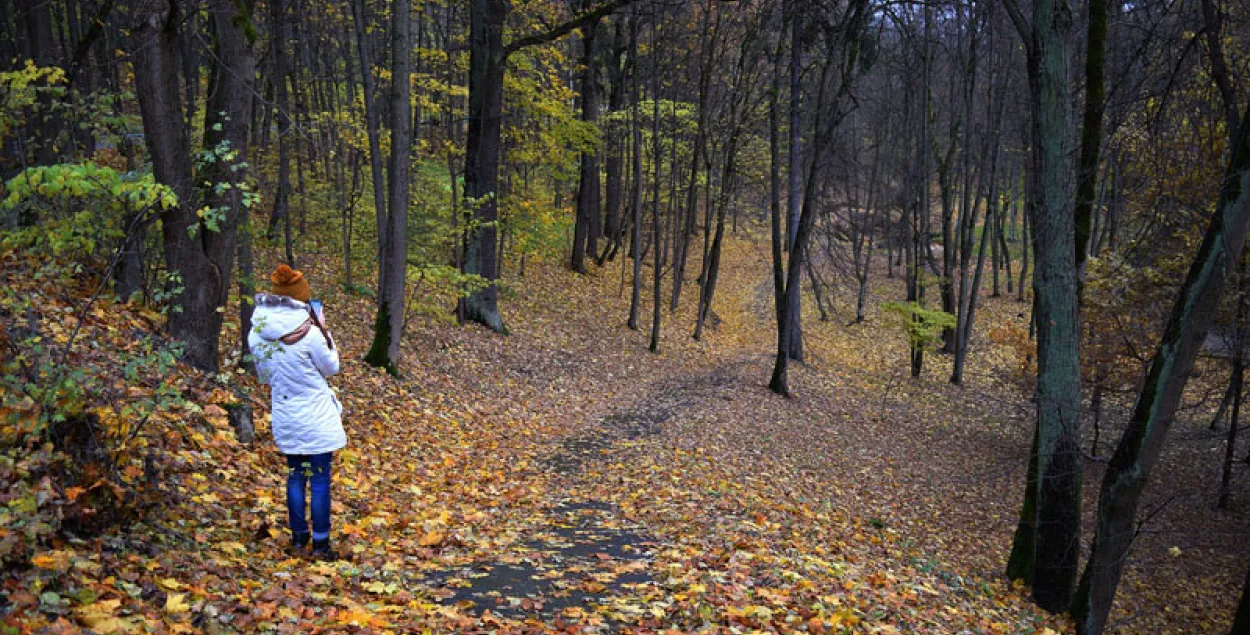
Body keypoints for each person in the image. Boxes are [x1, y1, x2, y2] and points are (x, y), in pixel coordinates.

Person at [248, 264, 345, 560]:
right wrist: (326, 332)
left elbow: (263, 376)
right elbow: (332, 368)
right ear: (301, 300)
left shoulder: (257, 333)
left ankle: (298, 539)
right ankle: (321, 544)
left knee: (295, 476)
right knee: (318, 479)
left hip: (286, 415)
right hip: (315, 417)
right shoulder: (311, 333)